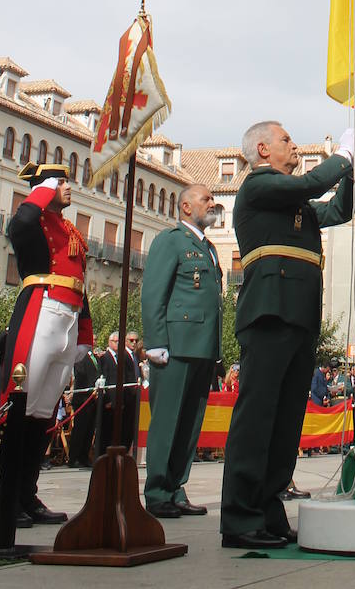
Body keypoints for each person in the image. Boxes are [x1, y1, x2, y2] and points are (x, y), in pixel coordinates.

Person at [219, 120, 355, 550]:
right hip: (268, 312)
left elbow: (337, 211)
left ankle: (268, 511)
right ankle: (240, 518)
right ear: (263, 150)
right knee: (257, 416)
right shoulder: (257, 186)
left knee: (286, 421)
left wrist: (354, 173)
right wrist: (341, 157)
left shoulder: (292, 204)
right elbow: (309, 184)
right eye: (286, 140)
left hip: (300, 314)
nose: (294, 145)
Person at [0, 161, 93, 526]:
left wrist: (85, 333)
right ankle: (7, 500)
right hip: (41, 307)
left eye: (67, 181)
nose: (68, 187)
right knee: (22, 403)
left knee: (43, 411)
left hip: (66, 316)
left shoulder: (69, 228)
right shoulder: (33, 221)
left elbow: (80, 282)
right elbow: (18, 223)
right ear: (43, 189)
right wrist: (41, 190)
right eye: (60, 182)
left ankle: (28, 493)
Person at [141, 182, 223, 518]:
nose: (212, 204)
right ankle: (158, 491)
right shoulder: (170, 241)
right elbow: (153, 294)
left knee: (190, 422)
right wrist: (156, 341)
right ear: (187, 207)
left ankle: (176, 486)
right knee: (167, 420)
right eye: (206, 199)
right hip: (174, 346)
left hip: (202, 347)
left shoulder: (209, 247)